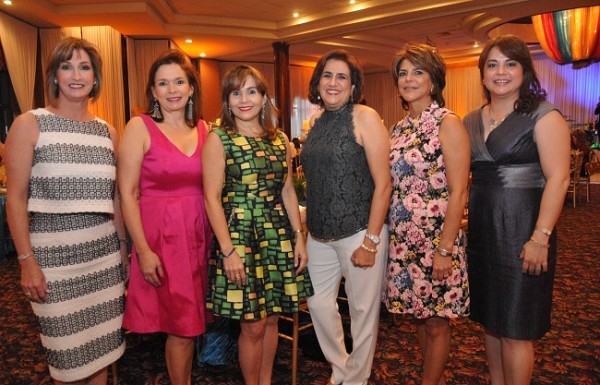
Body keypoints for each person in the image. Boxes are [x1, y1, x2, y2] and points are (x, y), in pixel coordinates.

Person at [5, 37, 127, 384]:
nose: (76, 75)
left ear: (95, 77)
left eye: (84, 66)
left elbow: (115, 198)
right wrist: (26, 262)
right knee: (68, 363)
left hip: (103, 258)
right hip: (52, 264)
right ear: (54, 75)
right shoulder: (31, 123)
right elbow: (15, 199)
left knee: (102, 356)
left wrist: (122, 251)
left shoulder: (108, 132)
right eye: (66, 66)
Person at [463, 35, 570, 385]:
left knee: (515, 326)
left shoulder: (543, 115)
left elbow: (558, 179)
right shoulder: (470, 120)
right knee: (490, 322)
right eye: (492, 65)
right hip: (482, 230)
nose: (501, 72)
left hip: (524, 230)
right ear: (482, 75)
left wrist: (540, 237)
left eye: (510, 64)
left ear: (524, 71)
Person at [202, 65, 313, 385]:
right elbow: (211, 199)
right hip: (239, 239)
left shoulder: (278, 139)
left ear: (264, 97)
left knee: (272, 320)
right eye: (236, 92)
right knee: (251, 324)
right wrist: (228, 252)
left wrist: (298, 237)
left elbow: (288, 190)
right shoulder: (219, 138)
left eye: (252, 91)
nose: (244, 99)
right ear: (227, 100)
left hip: (276, 236)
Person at [119, 49, 211, 385]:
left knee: (190, 322)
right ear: (153, 91)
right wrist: (142, 250)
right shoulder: (139, 127)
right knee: (181, 326)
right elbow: (127, 193)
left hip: (200, 237)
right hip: (160, 239)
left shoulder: (204, 129)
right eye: (163, 83)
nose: (172, 89)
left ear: (190, 88)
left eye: (178, 81)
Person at [300, 50, 392, 385]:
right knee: (318, 304)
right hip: (320, 235)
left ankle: (355, 380)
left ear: (353, 85)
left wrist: (371, 240)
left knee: (363, 313)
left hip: (359, 232)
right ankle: (341, 367)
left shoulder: (365, 117)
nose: (333, 82)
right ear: (318, 82)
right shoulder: (317, 123)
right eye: (327, 75)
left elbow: (384, 183)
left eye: (342, 77)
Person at [382, 44, 471, 385]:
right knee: (419, 317)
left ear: (434, 81)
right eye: (403, 73)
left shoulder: (448, 123)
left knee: (436, 322)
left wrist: (445, 248)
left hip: (437, 240)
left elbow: (459, 191)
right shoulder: (399, 128)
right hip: (405, 241)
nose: (409, 79)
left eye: (417, 71)